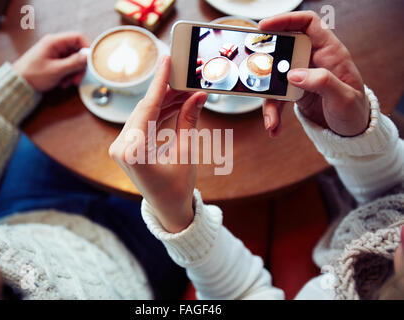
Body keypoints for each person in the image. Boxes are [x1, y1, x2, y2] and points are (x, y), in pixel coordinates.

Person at [109, 11, 404, 299]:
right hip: (346, 226)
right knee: (278, 200)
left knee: (259, 206)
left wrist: (178, 216)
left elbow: (241, 292)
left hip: (329, 256)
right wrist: (356, 133)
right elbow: (394, 200)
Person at [0, 32, 190, 299]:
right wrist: (182, 221)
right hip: (130, 264)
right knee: (198, 176)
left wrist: (19, 81)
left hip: (25, 216)